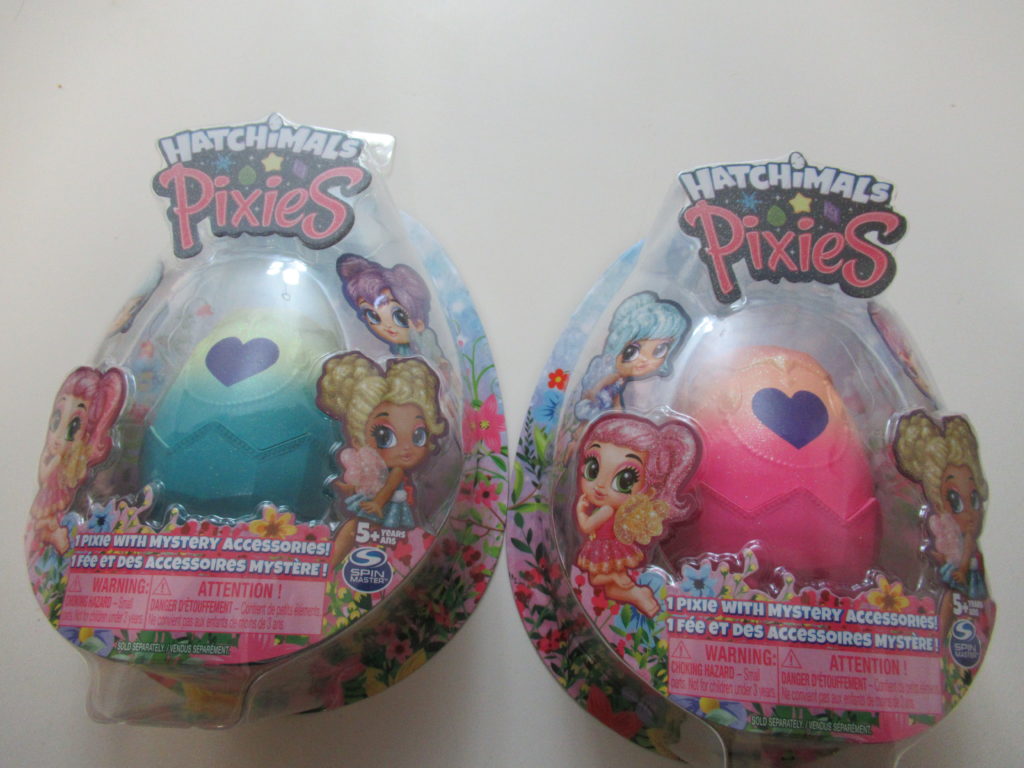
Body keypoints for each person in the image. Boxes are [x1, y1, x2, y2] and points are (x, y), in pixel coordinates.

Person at [316, 351, 447, 569]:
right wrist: (350, 489)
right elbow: (371, 485)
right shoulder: (377, 468)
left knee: (358, 528)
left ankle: (333, 566)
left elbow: (388, 488)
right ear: (358, 437)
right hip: (382, 505)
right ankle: (333, 566)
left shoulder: (398, 471)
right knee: (359, 530)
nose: (406, 447)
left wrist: (377, 503)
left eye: (418, 435)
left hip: (388, 506)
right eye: (385, 436)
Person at [574, 413, 700, 617]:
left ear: (647, 483)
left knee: (596, 579)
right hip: (611, 548)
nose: (600, 486)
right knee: (608, 590)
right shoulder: (611, 508)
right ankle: (639, 595)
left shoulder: (606, 509)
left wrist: (580, 511)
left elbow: (587, 527)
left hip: (604, 548)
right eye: (592, 468)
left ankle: (618, 579)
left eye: (624, 480)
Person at [28, 367, 127, 555]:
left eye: (73, 427)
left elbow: (80, 476)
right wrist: (55, 462)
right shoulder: (58, 459)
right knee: (48, 518)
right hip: (51, 497)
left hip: (68, 500)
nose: (58, 437)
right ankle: (51, 537)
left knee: (52, 519)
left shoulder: (78, 460)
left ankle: (54, 536)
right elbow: (44, 474)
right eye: (56, 422)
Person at [575, 291, 689, 420]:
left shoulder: (623, 380)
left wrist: (619, 414)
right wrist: (593, 393)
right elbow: (604, 384)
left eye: (659, 349)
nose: (644, 360)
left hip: (608, 407)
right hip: (598, 402)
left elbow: (617, 398)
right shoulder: (614, 375)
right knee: (589, 417)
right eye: (632, 351)